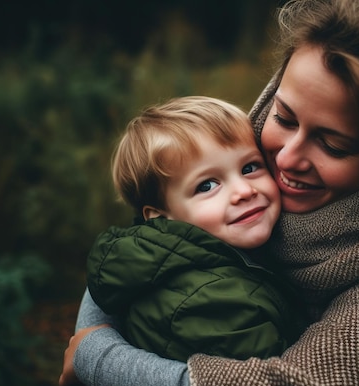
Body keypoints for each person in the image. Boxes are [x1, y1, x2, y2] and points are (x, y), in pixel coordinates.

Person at [60, 0, 359, 386]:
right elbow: (150, 246)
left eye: (333, 144)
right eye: (284, 117)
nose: (285, 159)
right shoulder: (254, 169)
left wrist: (99, 363)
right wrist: (92, 335)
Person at [86, 96, 303, 362]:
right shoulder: (213, 304)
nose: (244, 191)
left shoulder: (226, 262)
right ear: (160, 218)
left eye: (249, 167)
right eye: (207, 186)